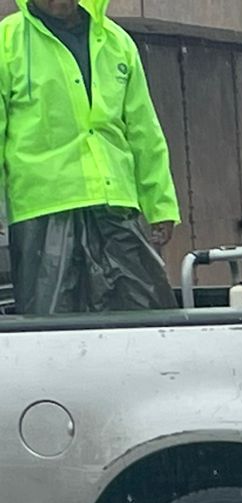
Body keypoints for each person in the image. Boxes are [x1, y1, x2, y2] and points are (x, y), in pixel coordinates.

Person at [0, 0, 180, 315]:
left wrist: (160, 203)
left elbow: (143, 131)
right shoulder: (8, 40)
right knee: (52, 330)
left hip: (115, 207)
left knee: (146, 319)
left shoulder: (117, 42)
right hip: (44, 211)